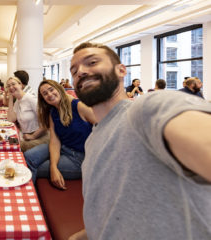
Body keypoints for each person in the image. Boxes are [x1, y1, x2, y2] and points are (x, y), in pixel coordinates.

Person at [68, 42, 211, 240]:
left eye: (92, 62)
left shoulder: (146, 108)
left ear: (121, 70)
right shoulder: (92, 139)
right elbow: (117, 208)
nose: (81, 72)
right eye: (74, 71)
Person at [24, 80, 96, 188]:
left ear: (59, 88)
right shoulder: (53, 112)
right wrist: (53, 167)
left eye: (51, 89)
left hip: (80, 159)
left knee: (33, 168)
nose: (49, 94)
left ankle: (28, 199)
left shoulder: (79, 106)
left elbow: (105, 128)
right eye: (45, 94)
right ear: (43, 99)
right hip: (63, 148)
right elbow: (54, 141)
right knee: (27, 157)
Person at [6, 77, 49, 151]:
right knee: (8, 142)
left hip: (40, 137)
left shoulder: (30, 98)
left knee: (13, 146)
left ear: (20, 85)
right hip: (26, 136)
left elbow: (46, 121)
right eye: (8, 86)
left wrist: (33, 136)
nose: (11, 87)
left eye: (13, 84)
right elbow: (11, 120)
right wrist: (10, 98)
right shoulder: (18, 101)